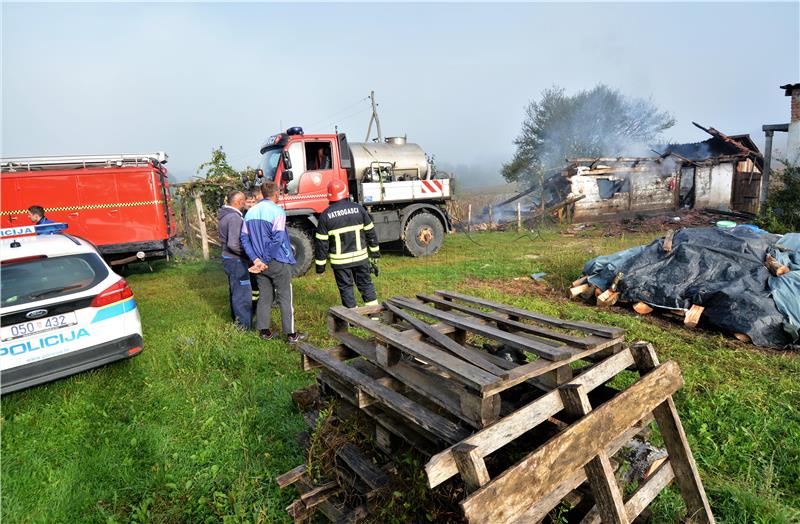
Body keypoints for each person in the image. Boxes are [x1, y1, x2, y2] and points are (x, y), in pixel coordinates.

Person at [241, 181, 306, 343]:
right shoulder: (277, 211)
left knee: (265, 296)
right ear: (276, 194)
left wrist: (256, 260)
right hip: (276, 260)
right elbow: (277, 239)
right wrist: (264, 259)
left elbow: (244, 238)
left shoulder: (249, 213)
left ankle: (264, 332)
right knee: (285, 296)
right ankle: (291, 334)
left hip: (258, 263)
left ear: (262, 194)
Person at [314, 179, 380, 308]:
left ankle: (353, 319)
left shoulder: (325, 215)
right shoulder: (359, 209)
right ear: (345, 192)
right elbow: (371, 234)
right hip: (361, 258)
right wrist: (375, 254)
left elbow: (321, 244)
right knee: (366, 284)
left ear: (329, 195)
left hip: (340, 262)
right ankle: (374, 315)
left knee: (346, 288)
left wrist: (320, 267)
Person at [218, 190, 252, 330]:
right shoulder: (234, 218)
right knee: (242, 294)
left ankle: (237, 322)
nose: (245, 203)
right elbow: (233, 244)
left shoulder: (225, 215)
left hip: (228, 258)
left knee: (235, 290)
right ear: (238, 202)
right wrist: (248, 256)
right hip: (236, 260)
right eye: (244, 200)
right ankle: (243, 327)